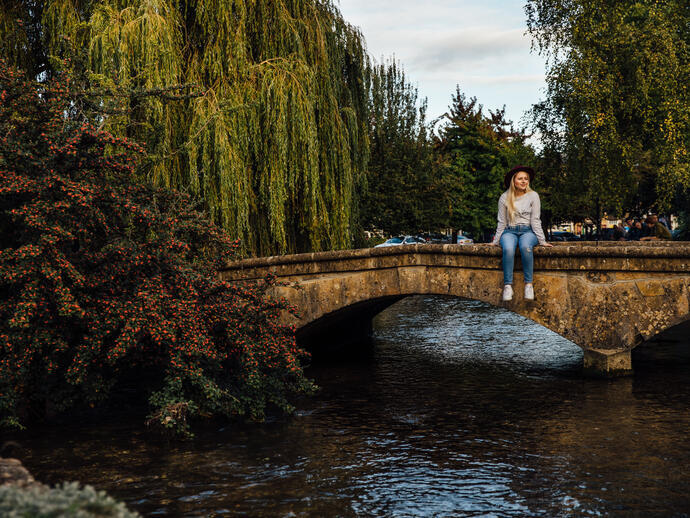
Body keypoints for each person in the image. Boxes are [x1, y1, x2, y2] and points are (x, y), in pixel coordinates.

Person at [490, 165, 552, 302]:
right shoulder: (504, 197)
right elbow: (501, 221)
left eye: (526, 179)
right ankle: (508, 286)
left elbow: (536, 220)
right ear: (514, 181)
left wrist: (542, 241)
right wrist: (495, 241)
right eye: (520, 179)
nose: (524, 181)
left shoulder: (533, 196)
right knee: (508, 249)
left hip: (528, 231)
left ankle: (528, 285)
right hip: (509, 231)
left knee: (525, 248)